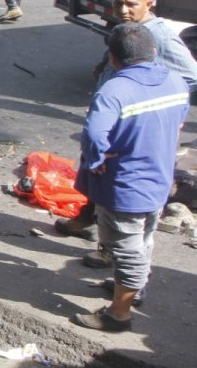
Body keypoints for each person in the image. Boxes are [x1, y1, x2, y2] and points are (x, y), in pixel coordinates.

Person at [56, 0, 197, 243]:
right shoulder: (125, 30)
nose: (123, 9)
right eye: (118, 2)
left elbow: (191, 75)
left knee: (114, 183)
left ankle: (112, 252)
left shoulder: (161, 37)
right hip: (111, 114)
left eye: (131, 4)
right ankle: (87, 220)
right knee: (94, 172)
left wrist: (152, 97)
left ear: (149, 3)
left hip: (130, 124)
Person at [69, 23, 189, 333]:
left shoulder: (115, 91)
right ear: (155, 53)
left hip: (125, 188)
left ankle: (118, 314)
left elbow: (94, 134)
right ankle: (134, 288)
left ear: (112, 58)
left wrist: (96, 160)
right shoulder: (176, 82)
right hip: (159, 181)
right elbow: (177, 127)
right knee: (144, 238)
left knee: (126, 248)